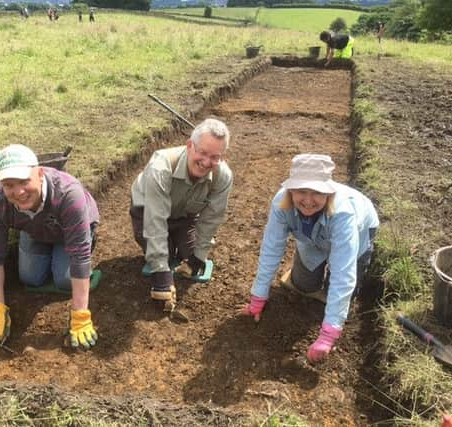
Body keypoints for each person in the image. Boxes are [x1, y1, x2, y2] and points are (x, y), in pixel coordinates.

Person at [238, 154, 379, 363]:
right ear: (291, 190)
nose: (308, 200)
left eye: (317, 192)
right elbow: (271, 249)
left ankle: (340, 291)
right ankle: (314, 265)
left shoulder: (343, 214)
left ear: (328, 192)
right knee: (303, 285)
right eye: (302, 191)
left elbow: (343, 274)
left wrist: (328, 335)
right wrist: (258, 298)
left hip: (357, 233)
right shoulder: (281, 204)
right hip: (311, 238)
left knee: (340, 289)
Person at [0, 144, 100, 349]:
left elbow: (79, 255)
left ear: (39, 173)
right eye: (9, 184)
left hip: (69, 232)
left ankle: (68, 255)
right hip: (35, 230)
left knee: (64, 281)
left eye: (24, 181)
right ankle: (47, 251)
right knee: (31, 278)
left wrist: (80, 314)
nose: (18, 192)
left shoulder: (69, 194)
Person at [130, 118, 233, 310]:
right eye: (202, 152)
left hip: (184, 216)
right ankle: (166, 251)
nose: (206, 162)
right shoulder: (161, 167)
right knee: (165, 256)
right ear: (189, 146)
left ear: (222, 157)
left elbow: (211, 218)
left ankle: (179, 243)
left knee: (191, 256)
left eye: (214, 157)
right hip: (148, 213)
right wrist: (161, 275)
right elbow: (155, 221)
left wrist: (199, 256)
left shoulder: (222, 176)